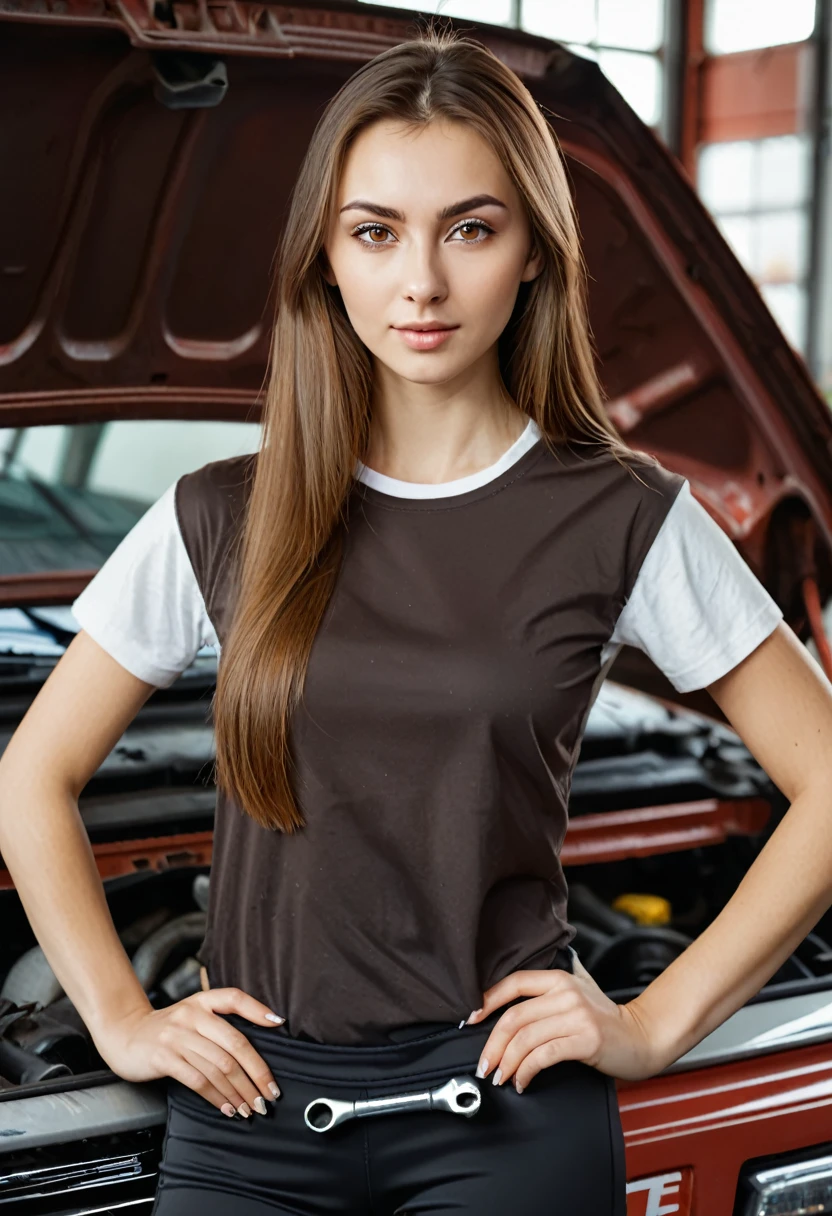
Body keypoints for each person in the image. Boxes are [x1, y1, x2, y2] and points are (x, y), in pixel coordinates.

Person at [2, 23, 832, 1216]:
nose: (422, 283)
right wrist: (121, 1019)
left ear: (534, 252)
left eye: (471, 229)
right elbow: (31, 773)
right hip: (251, 1123)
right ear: (327, 259)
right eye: (375, 231)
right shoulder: (217, 514)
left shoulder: (627, 514)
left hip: (505, 1118)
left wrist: (650, 1025)